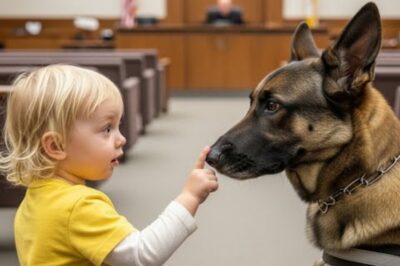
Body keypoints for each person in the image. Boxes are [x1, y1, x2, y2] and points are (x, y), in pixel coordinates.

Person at [0, 64, 219, 265]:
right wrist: (189, 197)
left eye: (118, 126)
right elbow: (141, 255)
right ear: (56, 145)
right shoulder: (78, 206)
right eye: (107, 129)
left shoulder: (33, 200)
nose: (121, 138)